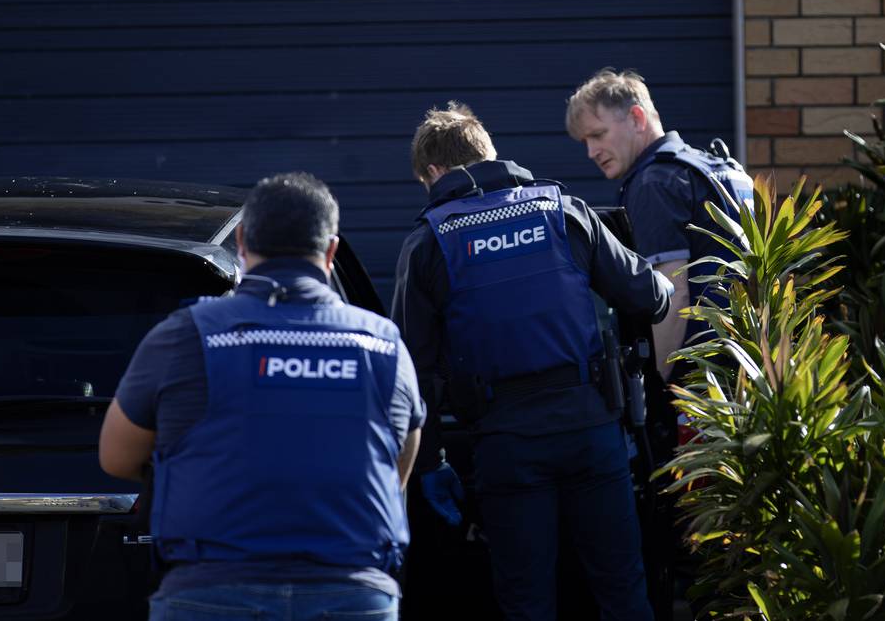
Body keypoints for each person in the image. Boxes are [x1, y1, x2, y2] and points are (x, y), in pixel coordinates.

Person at [98, 172, 423, 621]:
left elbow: (115, 457)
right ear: (330, 251)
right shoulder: (384, 344)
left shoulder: (183, 336)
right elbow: (398, 466)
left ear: (243, 240)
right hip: (351, 593)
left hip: (211, 590)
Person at [392, 102, 673, 621]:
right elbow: (650, 296)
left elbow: (413, 373)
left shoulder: (429, 242)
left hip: (507, 446)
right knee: (623, 591)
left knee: (526, 602)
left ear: (433, 173)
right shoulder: (562, 211)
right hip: (593, 433)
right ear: (489, 155)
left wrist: (430, 464)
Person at [565, 68, 755, 381]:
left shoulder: (656, 181)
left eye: (598, 135)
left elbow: (672, 294)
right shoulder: (722, 169)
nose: (591, 152)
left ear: (637, 118)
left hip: (702, 382)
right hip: (751, 364)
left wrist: (659, 385)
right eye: (585, 141)